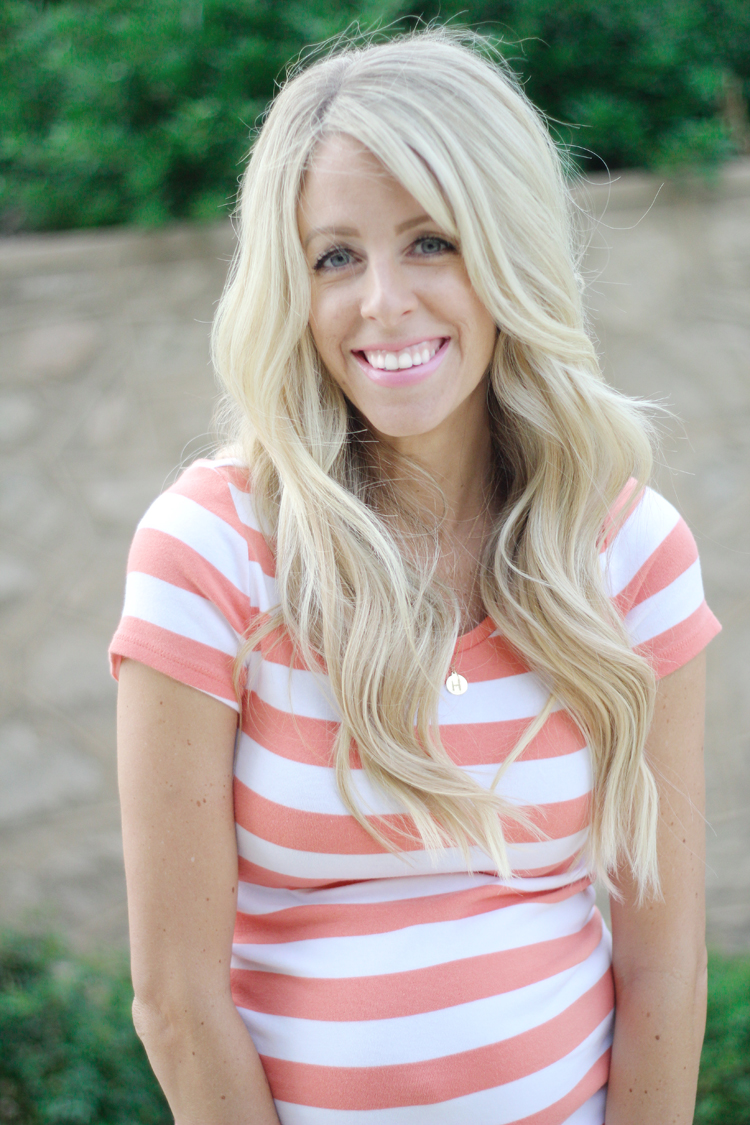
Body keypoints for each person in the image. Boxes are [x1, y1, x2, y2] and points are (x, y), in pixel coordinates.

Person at [111, 27, 721, 1125]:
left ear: (508, 250)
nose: (382, 301)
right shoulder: (208, 551)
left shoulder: (632, 554)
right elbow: (175, 1000)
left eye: (431, 242)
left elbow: (665, 969)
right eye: (334, 257)